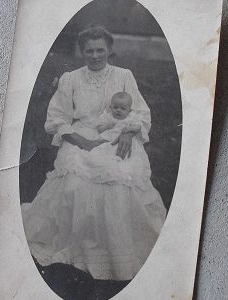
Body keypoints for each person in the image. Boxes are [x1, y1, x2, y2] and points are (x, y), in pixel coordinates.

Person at [21, 25, 166, 281]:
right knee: (76, 178)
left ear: (110, 50)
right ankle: (78, 247)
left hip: (119, 133)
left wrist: (129, 131)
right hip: (80, 134)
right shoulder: (71, 79)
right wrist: (79, 140)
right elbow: (57, 118)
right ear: (82, 52)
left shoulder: (124, 75)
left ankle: (119, 252)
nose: (95, 55)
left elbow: (141, 113)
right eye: (89, 50)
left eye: (101, 50)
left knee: (120, 174)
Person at [63, 91, 152, 189]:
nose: (118, 110)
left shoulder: (131, 118)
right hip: (108, 140)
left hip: (123, 139)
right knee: (103, 151)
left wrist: (130, 129)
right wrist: (108, 126)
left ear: (129, 110)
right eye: (115, 107)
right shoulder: (108, 116)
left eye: (123, 109)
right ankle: (104, 167)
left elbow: (138, 126)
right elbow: (100, 129)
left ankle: (119, 168)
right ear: (111, 107)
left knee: (126, 158)